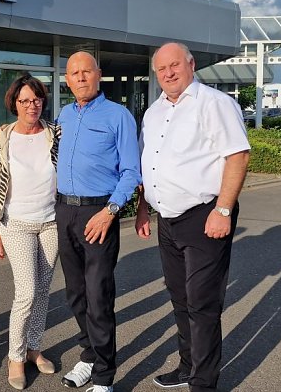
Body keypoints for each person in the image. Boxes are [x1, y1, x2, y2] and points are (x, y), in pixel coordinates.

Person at [135, 42, 250, 392]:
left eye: (175, 65)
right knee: (180, 297)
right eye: (161, 69)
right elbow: (148, 163)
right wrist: (143, 207)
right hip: (167, 220)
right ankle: (187, 367)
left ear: (191, 64)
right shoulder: (153, 112)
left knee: (202, 303)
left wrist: (223, 210)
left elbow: (238, 156)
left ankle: (203, 383)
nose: (168, 73)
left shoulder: (215, 103)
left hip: (205, 216)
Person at [55, 52, 142, 392]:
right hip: (65, 212)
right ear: (67, 79)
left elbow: (131, 170)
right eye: (73, 73)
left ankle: (104, 376)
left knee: (98, 295)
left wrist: (111, 211)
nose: (80, 78)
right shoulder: (64, 114)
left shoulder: (118, 116)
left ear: (99, 75)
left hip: (99, 213)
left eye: (86, 71)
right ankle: (89, 356)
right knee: (76, 295)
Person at [0, 74, 61, 390]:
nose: (32, 105)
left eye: (37, 99)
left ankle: (33, 348)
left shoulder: (55, 134)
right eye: (25, 100)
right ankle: (15, 357)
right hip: (15, 223)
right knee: (27, 291)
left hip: (51, 222)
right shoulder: (2, 138)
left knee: (43, 290)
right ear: (14, 104)